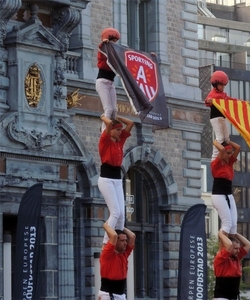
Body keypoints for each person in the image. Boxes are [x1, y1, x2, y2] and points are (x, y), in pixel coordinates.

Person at [98, 115, 134, 245]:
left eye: (120, 130)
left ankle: (118, 237)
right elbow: (108, 125)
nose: (121, 132)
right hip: (106, 178)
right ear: (111, 131)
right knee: (115, 211)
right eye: (118, 130)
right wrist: (105, 117)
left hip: (117, 179)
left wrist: (117, 116)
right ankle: (107, 241)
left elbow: (130, 123)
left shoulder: (120, 141)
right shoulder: (105, 140)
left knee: (122, 214)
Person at [205, 70, 239, 161]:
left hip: (222, 118)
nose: (223, 87)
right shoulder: (212, 94)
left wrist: (243, 103)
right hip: (215, 118)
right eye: (221, 85)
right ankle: (214, 159)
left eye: (224, 85)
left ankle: (225, 157)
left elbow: (231, 100)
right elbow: (207, 101)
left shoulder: (223, 95)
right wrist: (209, 101)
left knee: (226, 139)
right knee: (220, 138)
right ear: (215, 84)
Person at [98, 222, 136, 300]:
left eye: (126, 240)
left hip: (121, 294)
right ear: (115, 242)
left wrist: (121, 226)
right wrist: (106, 225)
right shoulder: (107, 254)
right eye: (122, 241)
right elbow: (114, 236)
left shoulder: (124, 254)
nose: (125, 243)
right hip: (108, 295)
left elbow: (132, 236)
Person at [211, 139, 241, 237]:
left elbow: (238, 148)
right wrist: (216, 142)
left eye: (230, 153)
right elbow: (222, 150)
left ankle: (230, 249)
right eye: (228, 153)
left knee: (233, 226)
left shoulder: (229, 163)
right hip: (218, 195)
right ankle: (222, 249)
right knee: (227, 223)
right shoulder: (216, 164)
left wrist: (228, 141)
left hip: (228, 194)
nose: (230, 155)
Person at [213, 230, 250, 300]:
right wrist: (221, 234)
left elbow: (248, 245)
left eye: (238, 248)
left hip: (233, 297)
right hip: (221, 297)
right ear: (230, 248)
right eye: (236, 248)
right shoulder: (221, 258)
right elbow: (229, 245)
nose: (238, 251)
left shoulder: (236, 257)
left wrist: (235, 233)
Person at [96, 27, 121, 131]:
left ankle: (113, 129)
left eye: (115, 41)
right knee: (108, 109)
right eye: (112, 41)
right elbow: (101, 48)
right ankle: (104, 132)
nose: (114, 43)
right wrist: (104, 43)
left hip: (110, 83)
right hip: (102, 82)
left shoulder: (115, 54)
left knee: (114, 110)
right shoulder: (103, 50)